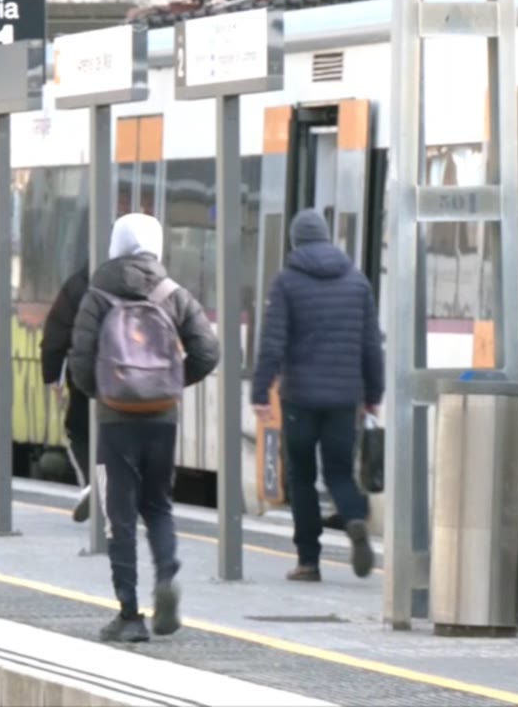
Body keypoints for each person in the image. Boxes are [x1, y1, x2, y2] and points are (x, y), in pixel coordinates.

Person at [69, 213, 220, 643]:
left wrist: (105, 390)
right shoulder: (173, 294)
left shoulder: (97, 295)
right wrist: (169, 382)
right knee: (158, 506)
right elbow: (207, 351)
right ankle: (166, 577)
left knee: (119, 516)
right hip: (161, 416)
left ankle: (129, 615)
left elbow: (80, 360)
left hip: (114, 420)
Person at [250, 209, 384, 582]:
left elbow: (272, 343)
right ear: (327, 238)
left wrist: (261, 392)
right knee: (339, 471)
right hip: (344, 398)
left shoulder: (287, 282)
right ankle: (354, 519)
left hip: (300, 398)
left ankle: (308, 561)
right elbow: (371, 346)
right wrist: (373, 394)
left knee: (302, 477)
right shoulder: (358, 283)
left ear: (295, 242)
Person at [41, 265, 94, 522]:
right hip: (146, 381)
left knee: (79, 430)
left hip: (89, 375)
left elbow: (56, 334)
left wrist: (53, 374)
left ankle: (94, 484)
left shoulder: (79, 283)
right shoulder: (157, 282)